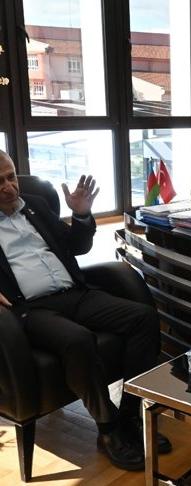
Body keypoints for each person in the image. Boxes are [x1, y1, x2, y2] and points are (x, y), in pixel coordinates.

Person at [0, 150, 170, 471]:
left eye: (11, 177)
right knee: (77, 340)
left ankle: (130, 415)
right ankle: (109, 430)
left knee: (143, 317)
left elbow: (76, 246)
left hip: (76, 294)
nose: (9, 187)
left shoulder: (35, 204)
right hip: (30, 309)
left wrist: (80, 215)